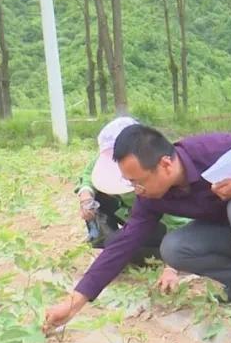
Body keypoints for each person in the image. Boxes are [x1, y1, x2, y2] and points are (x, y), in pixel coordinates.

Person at [43, 124, 231, 331]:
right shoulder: (151, 197)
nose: (136, 190)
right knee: (174, 248)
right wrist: (73, 303)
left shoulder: (217, 148)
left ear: (165, 165)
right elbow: (123, 245)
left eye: (138, 181)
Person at [75, 117, 189, 285]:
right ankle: (105, 248)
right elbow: (88, 177)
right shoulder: (105, 157)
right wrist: (86, 196)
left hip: (159, 226)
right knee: (111, 238)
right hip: (133, 220)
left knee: (121, 247)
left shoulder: (156, 180)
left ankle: (162, 255)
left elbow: (180, 225)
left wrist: (171, 266)